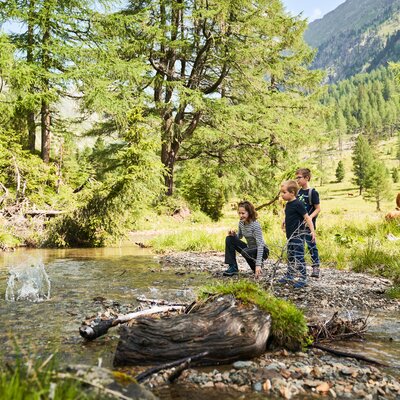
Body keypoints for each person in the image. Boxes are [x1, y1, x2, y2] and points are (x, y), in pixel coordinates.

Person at [279, 180, 316, 288]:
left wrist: (312, 231)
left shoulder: (298, 204)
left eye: (284, 192)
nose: (282, 195)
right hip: (290, 235)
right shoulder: (288, 204)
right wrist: (284, 222)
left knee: (299, 256)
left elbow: (307, 218)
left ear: (292, 193)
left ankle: (303, 277)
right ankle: (290, 275)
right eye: (281, 192)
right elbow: (288, 215)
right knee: (290, 255)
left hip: (298, 235)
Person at [223, 200, 269, 278]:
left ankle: (257, 267)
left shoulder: (255, 225)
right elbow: (240, 236)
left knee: (246, 252)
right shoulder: (241, 222)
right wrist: (233, 235)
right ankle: (233, 267)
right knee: (229, 239)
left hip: (262, 250)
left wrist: (258, 264)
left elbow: (260, 245)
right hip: (249, 250)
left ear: (249, 212)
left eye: (243, 213)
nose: (241, 215)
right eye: (239, 213)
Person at [295, 168, 321, 278]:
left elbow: (318, 209)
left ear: (307, 178)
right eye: (296, 178)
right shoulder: (297, 192)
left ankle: (315, 267)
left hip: (308, 225)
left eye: (299, 177)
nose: (297, 180)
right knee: (298, 245)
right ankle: (300, 266)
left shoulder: (312, 192)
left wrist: (309, 218)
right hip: (298, 225)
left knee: (311, 245)